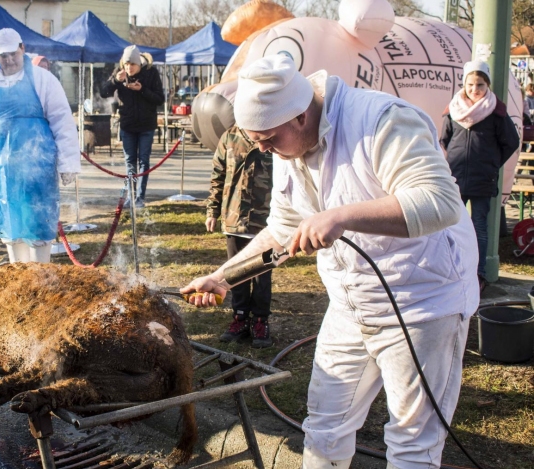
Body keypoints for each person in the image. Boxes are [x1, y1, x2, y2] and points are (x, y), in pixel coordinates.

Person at [181, 55, 479, 469]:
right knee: (324, 425)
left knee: (413, 443)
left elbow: (440, 201)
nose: (265, 150)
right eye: (256, 140)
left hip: (422, 300)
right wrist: (224, 276)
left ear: (301, 116)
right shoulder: (287, 146)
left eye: (268, 138)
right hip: (351, 303)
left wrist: (342, 215)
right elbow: (283, 227)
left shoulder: (381, 120)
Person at [0, 28, 80, 264]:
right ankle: (18, 276)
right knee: (9, 221)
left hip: (38, 166)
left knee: (37, 219)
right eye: (3, 56)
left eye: (13, 53)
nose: (9, 60)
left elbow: (62, 122)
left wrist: (68, 163)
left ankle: (41, 278)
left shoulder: (43, 79)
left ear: (22, 48)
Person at [440, 60, 519, 293]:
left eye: (481, 85)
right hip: (456, 177)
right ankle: (452, 268)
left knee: (479, 227)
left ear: (488, 85)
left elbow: (510, 142)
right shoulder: (453, 109)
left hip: (483, 178)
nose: (475, 90)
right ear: (464, 84)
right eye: (471, 84)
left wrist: (492, 163)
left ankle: (479, 273)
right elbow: (445, 138)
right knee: (452, 224)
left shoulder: (496, 112)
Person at [206, 124, 274, 348]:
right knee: (236, 272)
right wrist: (212, 211)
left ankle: (261, 321)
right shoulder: (229, 137)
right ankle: (240, 318)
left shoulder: (272, 133)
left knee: (262, 273)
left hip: (265, 220)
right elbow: (218, 175)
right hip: (234, 218)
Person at [100, 45, 165, 208]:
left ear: (139, 64)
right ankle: (132, 195)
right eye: (126, 64)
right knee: (130, 162)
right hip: (127, 125)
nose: (129, 68)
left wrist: (142, 90)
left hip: (146, 125)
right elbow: (103, 92)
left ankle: (140, 198)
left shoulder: (151, 73)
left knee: (144, 160)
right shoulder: (119, 72)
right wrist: (116, 81)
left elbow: (159, 99)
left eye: (132, 65)